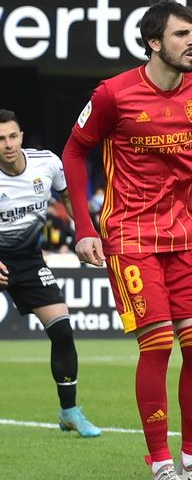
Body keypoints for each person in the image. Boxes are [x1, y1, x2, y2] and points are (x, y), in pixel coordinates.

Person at [61, 0, 192, 480]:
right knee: (158, 346)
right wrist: (84, 226)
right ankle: (162, 468)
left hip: (185, 232)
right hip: (130, 234)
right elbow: (73, 151)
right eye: (182, 34)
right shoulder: (113, 94)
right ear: (154, 43)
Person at [0, 110, 101, 438]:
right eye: (0, 139)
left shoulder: (47, 163)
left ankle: (69, 410)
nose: (8, 144)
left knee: (62, 331)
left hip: (29, 262)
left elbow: (69, 194)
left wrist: (85, 231)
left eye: (12, 136)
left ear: (21, 135)